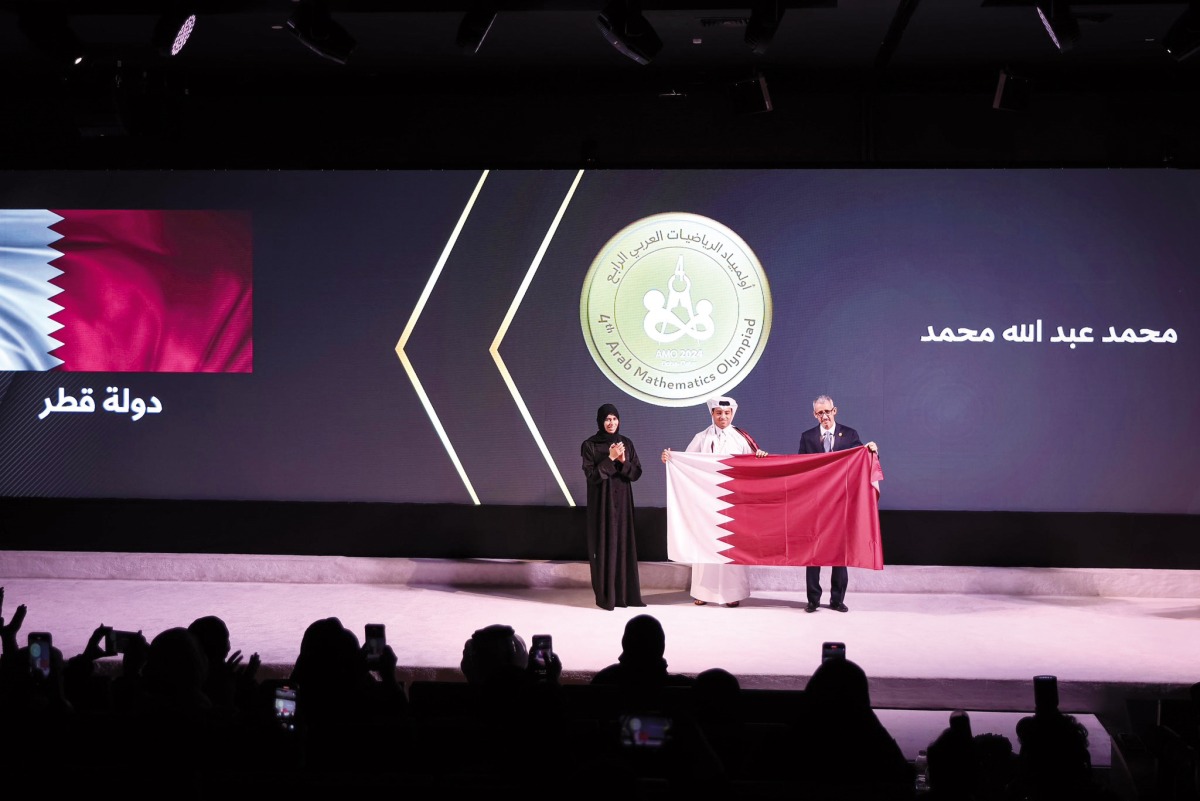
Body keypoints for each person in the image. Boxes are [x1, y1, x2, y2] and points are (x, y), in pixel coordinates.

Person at [661, 396, 767, 608]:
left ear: (732, 414)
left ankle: (732, 592)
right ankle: (703, 591)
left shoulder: (741, 438)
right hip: (707, 503)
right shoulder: (701, 437)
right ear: (712, 414)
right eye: (719, 413)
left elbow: (753, 463)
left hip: (733, 502)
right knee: (705, 545)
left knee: (731, 546)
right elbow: (686, 462)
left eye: (727, 413)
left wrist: (761, 456)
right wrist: (670, 458)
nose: (723, 417)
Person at [797, 394, 877, 613]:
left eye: (827, 411)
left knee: (840, 551)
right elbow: (800, 467)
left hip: (842, 502)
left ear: (835, 411)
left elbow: (861, 460)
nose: (824, 416)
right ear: (814, 415)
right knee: (813, 551)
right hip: (816, 503)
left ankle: (837, 599)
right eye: (820, 413)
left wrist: (871, 451)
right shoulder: (807, 437)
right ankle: (813, 599)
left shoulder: (850, 434)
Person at [582, 403, 645, 610]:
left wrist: (623, 462)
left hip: (623, 504)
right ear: (601, 421)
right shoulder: (590, 445)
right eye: (607, 419)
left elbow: (636, 474)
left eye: (615, 419)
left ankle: (625, 595)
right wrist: (610, 458)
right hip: (602, 504)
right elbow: (592, 476)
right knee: (604, 544)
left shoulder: (626, 443)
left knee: (623, 544)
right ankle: (606, 596)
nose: (611, 423)